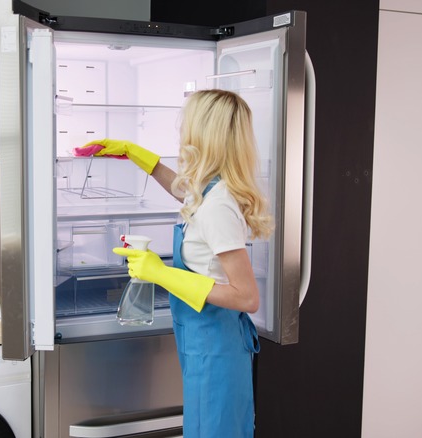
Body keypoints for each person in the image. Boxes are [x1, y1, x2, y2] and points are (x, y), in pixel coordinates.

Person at [77, 89, 274, 437]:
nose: (182, 133)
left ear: (204, 135)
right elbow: (185, 192)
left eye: (188, 124)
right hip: (201, 340)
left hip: (217, 347)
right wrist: (138, 156)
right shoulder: (210, 190)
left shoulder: (218, 207)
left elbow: (247, 297)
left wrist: (160, 273)